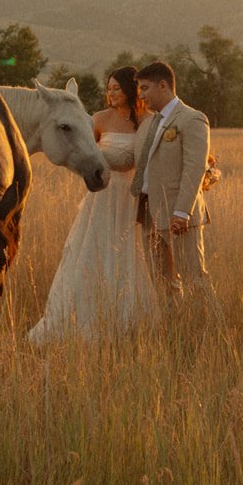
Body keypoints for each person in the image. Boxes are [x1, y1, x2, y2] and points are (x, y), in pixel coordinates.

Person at [27, 66, 157, 343]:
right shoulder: (97, 119)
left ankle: (127, 322)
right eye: (108, 88)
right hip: (103, 196)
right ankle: (85, 318)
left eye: (116, 89)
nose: (110, 93)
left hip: (130, 197)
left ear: (130, 90)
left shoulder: (146, 120)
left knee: (130, 254)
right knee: (93, 251)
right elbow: (85, 153)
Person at [129, 60, 215, 305]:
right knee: (163, 283)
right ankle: (174, 329)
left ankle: (207, 334)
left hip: (178, 215)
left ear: (163, 86)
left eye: (145, 88)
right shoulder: (147, 124)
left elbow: (194, 167)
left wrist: (181, 211)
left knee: (194, 279)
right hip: (147, 213)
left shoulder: (192, 119)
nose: (141, 95)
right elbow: (132, 158)